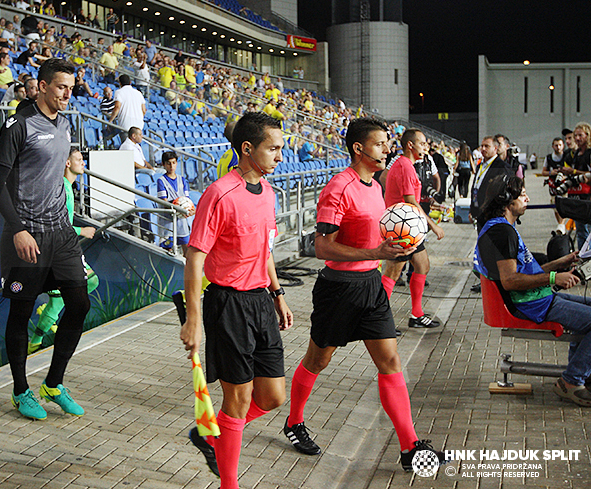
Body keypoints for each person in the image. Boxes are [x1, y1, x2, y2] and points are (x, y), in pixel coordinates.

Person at [282, 117, 446, 472]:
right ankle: (294, 421)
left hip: (371, 287)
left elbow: (374, 237)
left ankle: (410, 446)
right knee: (318, 361)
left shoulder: (374, 186)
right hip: (338, 290)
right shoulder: (338, 187)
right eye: (380, 143)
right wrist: (376, 254)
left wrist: (393, 246)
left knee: (390, 363)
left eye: (387, 143)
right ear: (359, 148)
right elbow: (323, 247)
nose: (387, 148)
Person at [180, 112, 293, 489]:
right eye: (273, 149)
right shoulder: (219, 194)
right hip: (227, 305)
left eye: (281, 148)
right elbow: (195, 258)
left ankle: (212, 435)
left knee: (274, 396)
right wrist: (192, 319)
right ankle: (230, 483)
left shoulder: (269, 192)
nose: (280, 156)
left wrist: (277, 294)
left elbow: (266, 250)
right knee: (238, 400)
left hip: (260, 301)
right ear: (247, 149)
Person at [0, 58, 91, 420]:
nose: (68, 93)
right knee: (21, 310)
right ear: (43, 86)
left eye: (71, 87)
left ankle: (54, 383)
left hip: (60, 235)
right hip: (26, 236)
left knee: (79, 303)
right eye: (62, 87)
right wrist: (17, 228)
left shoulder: (64, 124)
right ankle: (20, 390)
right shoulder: (18, 125)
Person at [475, 175, 591, 407]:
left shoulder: (501, 228)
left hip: (536, 297)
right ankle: (571, 380)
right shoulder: (502, 233)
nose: (528, 198)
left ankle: (579, 373)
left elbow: (524, 272)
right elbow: (510, 281)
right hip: (532, 303)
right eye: (522, 195)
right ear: (507, 201)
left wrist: (559, 263)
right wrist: (554, 277)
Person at [27, 148, 98, 354]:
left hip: (61, 249)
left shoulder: (66, 186)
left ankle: (36, 340)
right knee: (90, 282)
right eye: (78, 159)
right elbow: (59, 225)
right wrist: (81, 230)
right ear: (67, 163)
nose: (83, 162)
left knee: (62, 297)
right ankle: (42, 335)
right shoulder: (63, 188)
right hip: (59, 250)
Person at [380, 129, 445, 328]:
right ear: (410, 145)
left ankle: (416, 314)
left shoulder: (403, 164)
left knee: (423, 265)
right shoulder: (406, 167)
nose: (426, 147)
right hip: (402, 229)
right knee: (392, 273)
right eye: (422, 143)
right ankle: (379, 320)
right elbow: (409, 201)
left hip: (409, 226)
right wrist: (432, 224)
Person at [156, 151, 195, 253]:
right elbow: (164, 202)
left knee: (186, 248)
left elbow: (187, 199)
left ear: (177, 163)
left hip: (181, 221)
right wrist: (179, 208)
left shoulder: (182, 180)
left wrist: (190, 209)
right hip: (167, 221)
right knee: (168, 250)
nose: (171, 166)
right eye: (168, 163)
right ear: (164, 164)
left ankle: (186, 268)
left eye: (173, 163)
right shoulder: (161, 181)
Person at [470, 136, 511, 232]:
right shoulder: (480, 165)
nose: (483, 149)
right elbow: (476, 187)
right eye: (482, 146)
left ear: (495, 148)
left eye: (487, 146)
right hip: (479, 212)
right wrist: (472, 210)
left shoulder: (501, 167)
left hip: (492, 215)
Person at [110, 74, 146, 139]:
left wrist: (110, 121)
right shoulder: (138, 93)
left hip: (126, 125)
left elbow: (117, 107)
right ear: (130, 82)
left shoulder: (119, 92)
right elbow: (143, 110)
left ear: (120, 83)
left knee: (127, 147)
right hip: (138, 126)